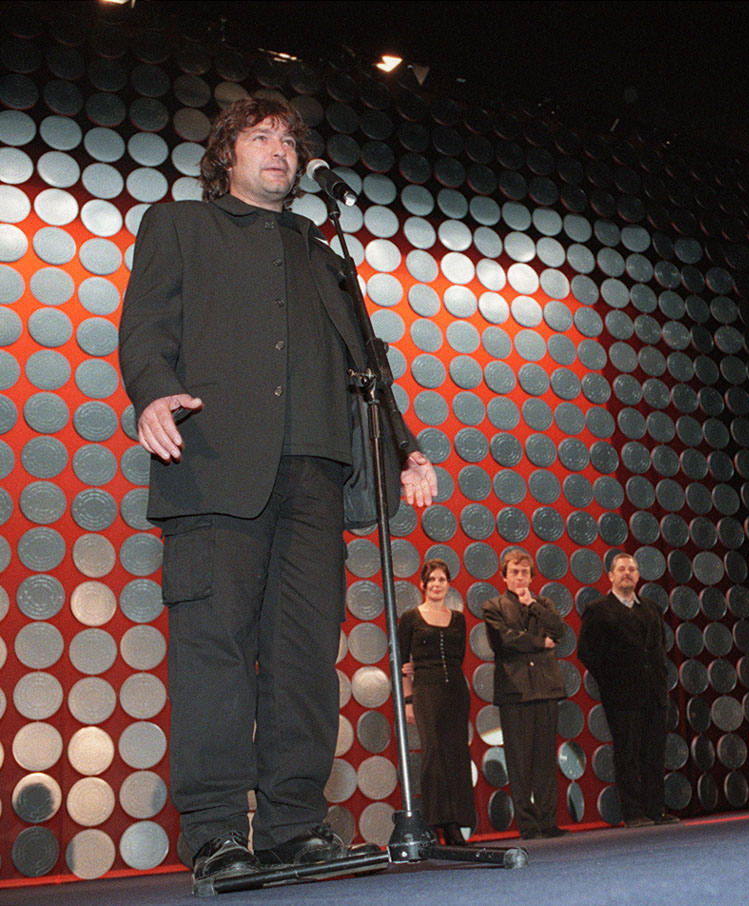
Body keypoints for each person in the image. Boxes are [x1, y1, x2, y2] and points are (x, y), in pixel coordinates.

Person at [118, 97, 438, 891]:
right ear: (226, 154)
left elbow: (368, 366)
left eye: (290, 140)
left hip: (316, 474)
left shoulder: (323, 253)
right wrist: (151, 392)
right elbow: (145, 325)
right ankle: (218, 831)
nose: (279, 149)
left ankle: (295, 826)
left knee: (303, 657)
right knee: (216, 652)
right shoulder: (179, 226)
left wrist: (405, 447)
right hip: (214, 462)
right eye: (261, 136)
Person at [577, 552, 678, 827]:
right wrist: (611, 680)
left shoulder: (652, 608)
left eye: (632, 569)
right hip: (621, 696)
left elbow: (659, 648)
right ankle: (633, 813)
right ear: (610, 575)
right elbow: (586, 651)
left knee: (654, 754)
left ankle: (655, 810)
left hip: (654, 693)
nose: (627, 573)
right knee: (628, 754)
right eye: (621, 569)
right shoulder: (598, 610)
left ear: (638, 575)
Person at [481, 549, 567, 839]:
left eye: (525, 573)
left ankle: (548, 822)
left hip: (545, 688)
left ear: (531, 577)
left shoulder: (543, 604)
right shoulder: (493, 606)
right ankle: (528, 825)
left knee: (545, 760)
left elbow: (559, 631)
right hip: (514, 692)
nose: (520, 578)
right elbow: (504, 641)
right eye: (514, 572)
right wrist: (540, 643)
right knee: (519, 761)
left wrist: (534, 607)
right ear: (504, 576)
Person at [397, 560, 477, 846]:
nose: (436, 584)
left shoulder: (458, 618)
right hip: (426, 691)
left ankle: (456, 825)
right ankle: (435, 823)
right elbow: (402, 662)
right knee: (433, 754)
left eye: (441, 579)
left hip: (455, 690)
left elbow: (459, 657)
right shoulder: (410, 618)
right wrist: (408, 700)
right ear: (422, 584)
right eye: (431, 579)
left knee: (456, 754)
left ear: (448, 584)